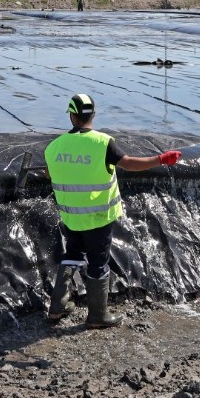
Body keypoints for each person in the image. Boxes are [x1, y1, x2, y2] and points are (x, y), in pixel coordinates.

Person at [43, 94, 181, 328]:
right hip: (98, 217)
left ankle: (57, 306)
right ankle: (98, 316)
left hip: (71, 216)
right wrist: (160, 159)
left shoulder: (54, 146)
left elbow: (50, 174)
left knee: (73, 254)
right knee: (98, 262)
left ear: (71, 115)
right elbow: (129, 164)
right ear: (93, 115)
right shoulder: (102, 143)